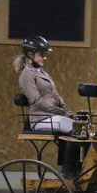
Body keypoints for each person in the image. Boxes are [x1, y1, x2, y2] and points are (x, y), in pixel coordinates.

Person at [14, 36, 81, 179]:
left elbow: (56, 96)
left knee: (83, 128)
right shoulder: (27, 76)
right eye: (42, 55)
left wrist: (67, 110)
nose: (45, 58)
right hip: (40, 118)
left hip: (53, 116)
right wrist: (61, 112)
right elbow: (37, 101)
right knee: (77, 130)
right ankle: (68, 171)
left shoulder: (43, 73)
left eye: (45, 55)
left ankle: (79, 167)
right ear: (30, 55)